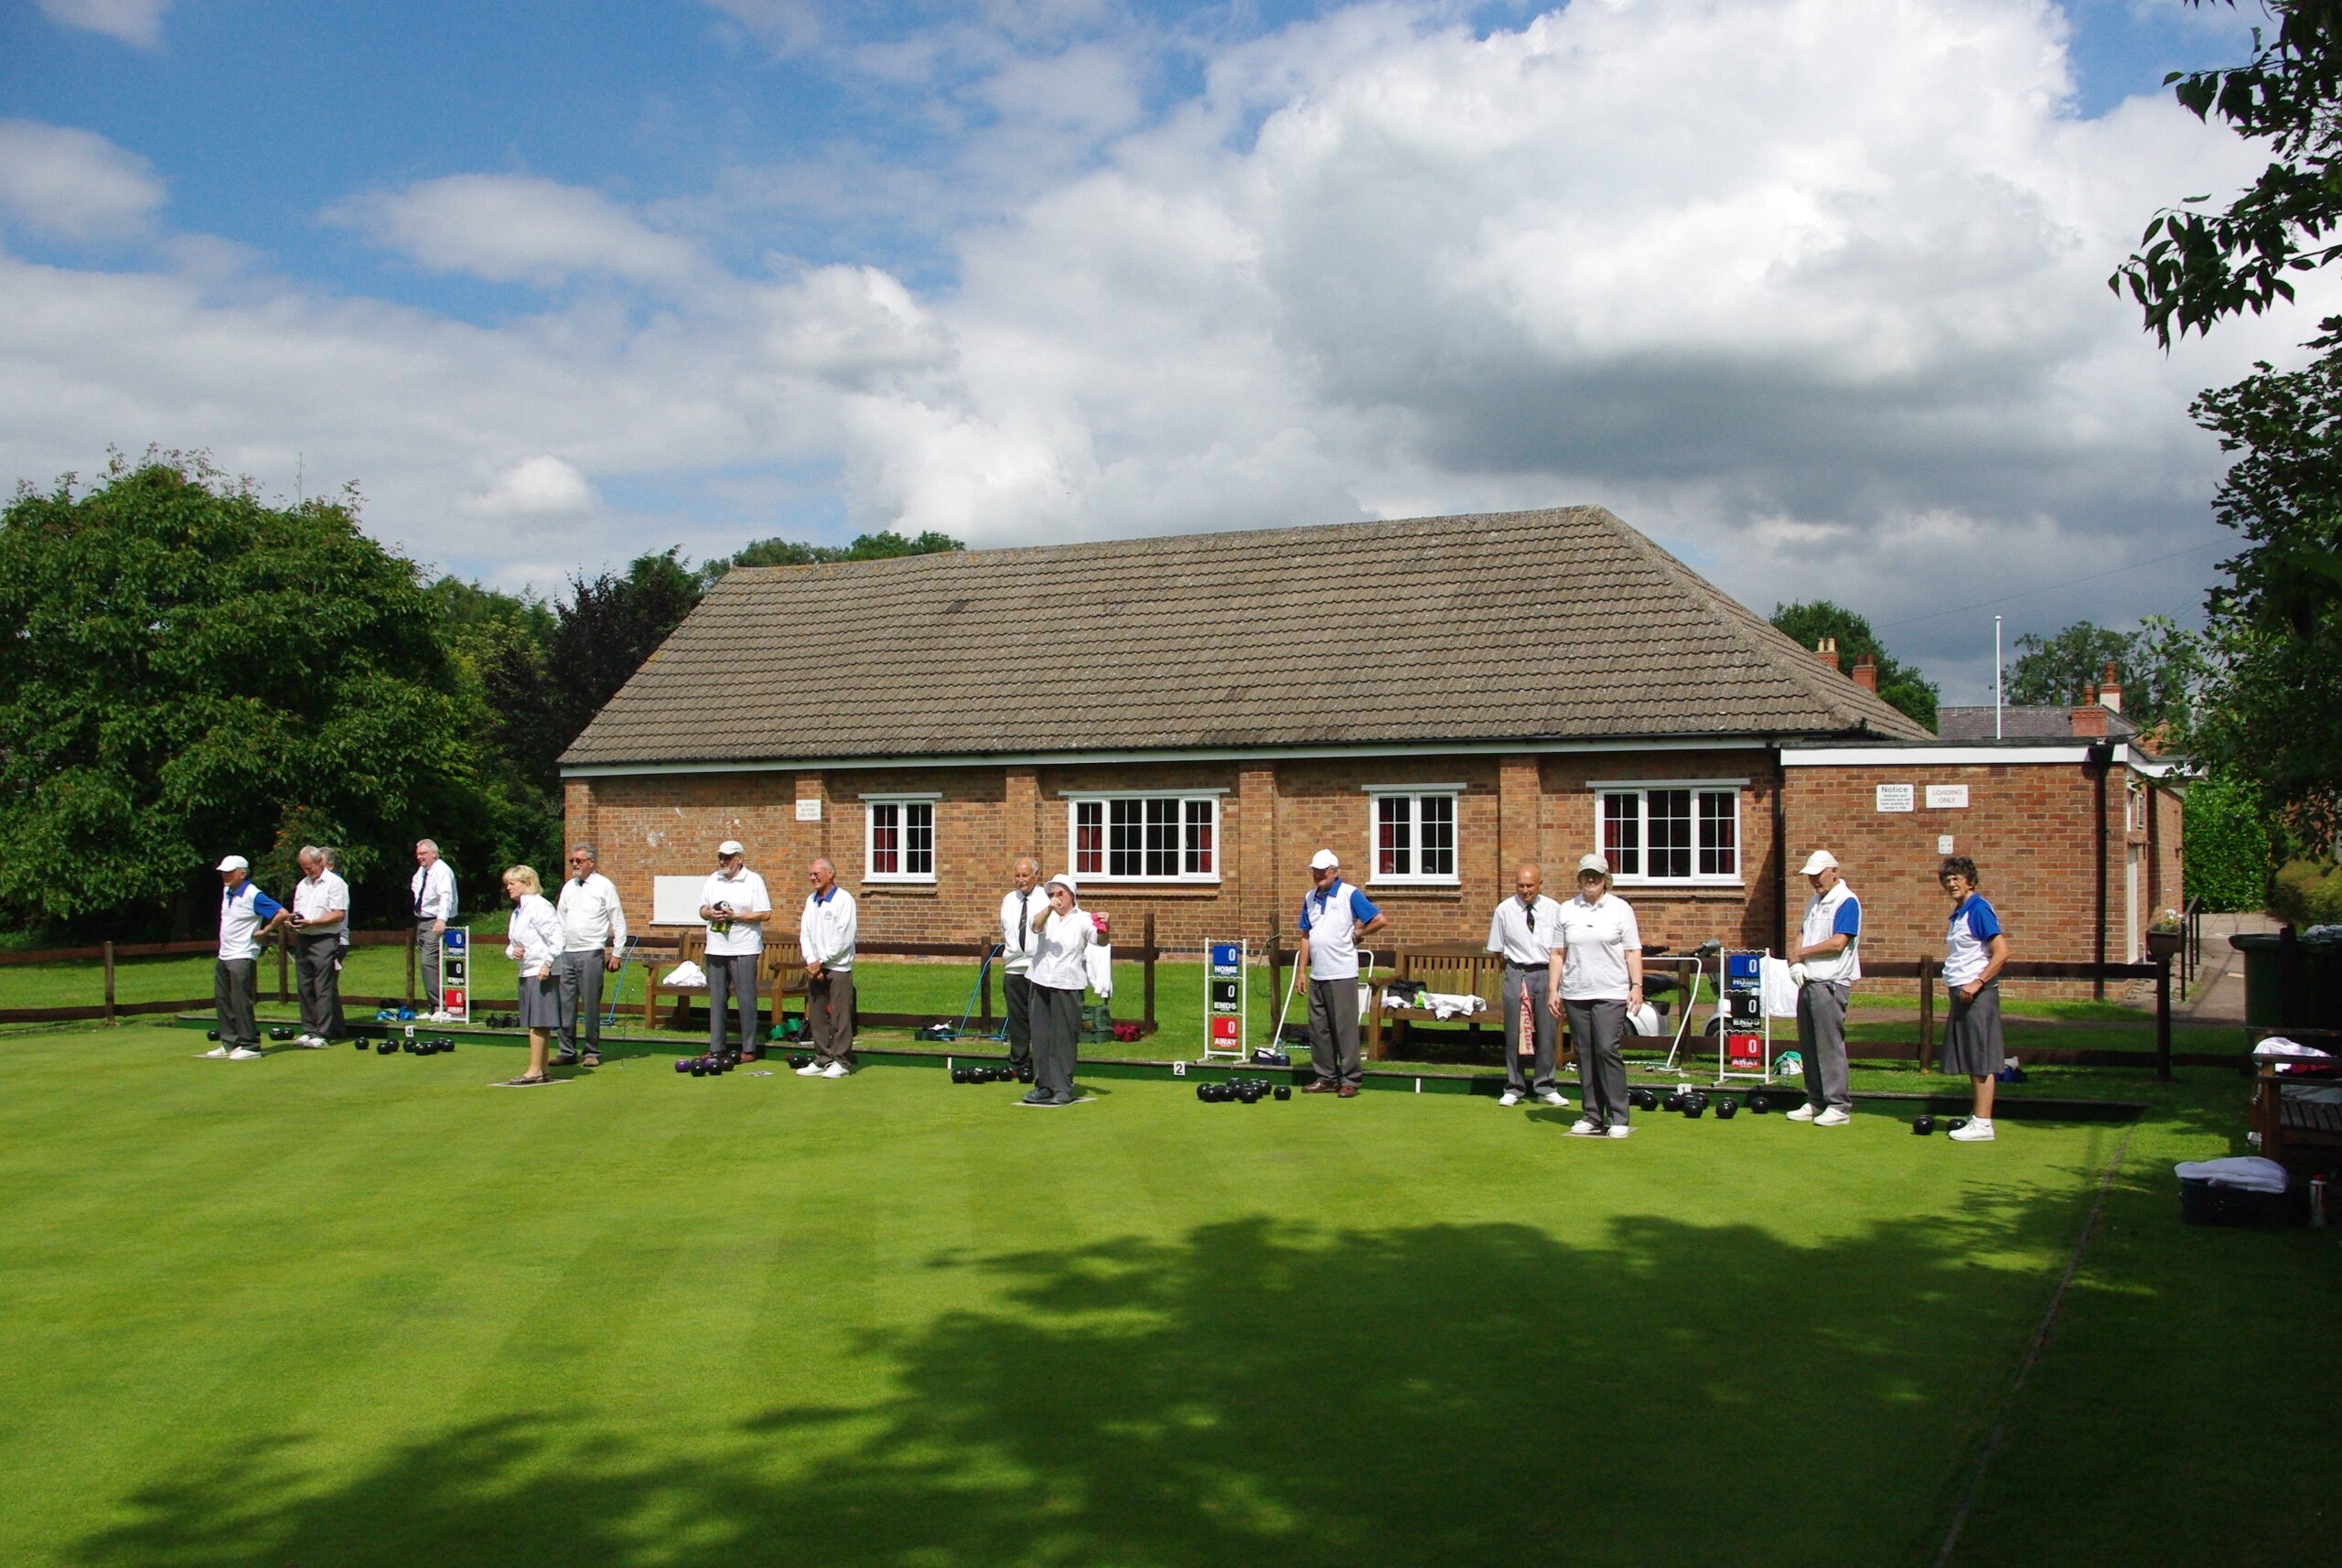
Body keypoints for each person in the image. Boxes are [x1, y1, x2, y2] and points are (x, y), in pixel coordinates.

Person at [1549, 853, 1641, 1137]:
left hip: (1611, 990)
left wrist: (1636, 985)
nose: (1591, 880)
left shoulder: (1620, 909)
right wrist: (1554, 989)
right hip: (1576, 991)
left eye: (1597, 876)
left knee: (1606, 1049)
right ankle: (1591, 1114)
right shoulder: (1566, 910)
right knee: (1585, 1053)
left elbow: (1632, 950)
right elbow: (1557, 953)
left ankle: (1619, 1117)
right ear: (1579, 877)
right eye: (1586, 875)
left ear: (1605, 879)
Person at [1296, 849, 1387, 1098]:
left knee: (1344, 1029)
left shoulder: (1350, 894)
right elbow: (1306, 935)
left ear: (1335, 872)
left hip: (1342, 972)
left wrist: (1359, 933)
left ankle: (1350, 1080)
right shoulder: (1310, 897)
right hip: (1318, 973)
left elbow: (1379, 919)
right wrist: (1301, 971)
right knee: (1319, 1029)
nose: (1318, 875)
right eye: (1315, 871)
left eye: (1323, 871)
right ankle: (1325, 1076)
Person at [1785, 849, 1862, 1126]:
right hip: (1809, 981)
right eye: (1810, 876)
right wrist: (1795, 959)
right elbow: (1802, 931)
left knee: (1829, 1046)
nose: (1814, 880)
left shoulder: (1847, 901)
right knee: (1809, 1045)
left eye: (1818, 874)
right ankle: (1816, 1101)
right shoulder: (1814, 902)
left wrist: (1802, 953)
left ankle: (1839, 1106)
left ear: (1834, 871)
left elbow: (1837, 943)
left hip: (1830, 983)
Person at [1938, 856, 2010, 1143]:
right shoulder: (1960, 912)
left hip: (1978, 995)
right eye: (1947, 879)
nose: (1951, 883)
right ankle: (1978, 1115)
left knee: (1980, 1057)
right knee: (1970, 1055)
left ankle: (1983, 1123)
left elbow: (2002, 952)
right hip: (1962, 994)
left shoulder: (1979, 909)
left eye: (1957, 878)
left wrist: (1978, 982)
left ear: (1970, 880)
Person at [1487, 862, 1569, 1109]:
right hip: (1517, 972)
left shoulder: (1554, 909)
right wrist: (1515, 972)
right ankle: (1514, 1086)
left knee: (1547, 1030)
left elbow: (1561, 948)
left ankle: (1546, 1086)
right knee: (1514, 1031)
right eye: (1521, 886)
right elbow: (1498, 951)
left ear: (1540, 885)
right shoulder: (1504, 909)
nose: (1525, 890)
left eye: (1530, 885)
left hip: (1546, 973)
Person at [1020, 871, 1098, 1107]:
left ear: (1071, 894)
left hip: (1068, 983)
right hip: (1040, 979)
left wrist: (1106, 927)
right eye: (1052, 893)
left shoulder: (1083, 919)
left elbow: (1099, 939)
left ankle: (1063, 1087)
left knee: (1064, 1037)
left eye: (1060, 892)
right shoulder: (1047, 915)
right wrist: (1049, 908)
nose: (1056, 897)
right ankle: (1043, 1086)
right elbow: (1034, 926)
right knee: (1041, 1035)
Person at [553, 843, 628, 1068]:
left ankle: (591, 1051)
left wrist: (617, 951)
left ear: (591, 862)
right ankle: (566, 1051)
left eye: (579, 861)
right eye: (572, 861)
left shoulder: (605, 886)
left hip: (591, 952)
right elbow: (560, 918)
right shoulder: (569, 887)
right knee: (565, 1004)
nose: (574, 864)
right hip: (568, 952)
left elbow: (617, 919)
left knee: (591, 1004)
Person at [207, 854, 287, 1059]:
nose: (225, 875)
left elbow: (282, 913)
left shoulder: (253, 894)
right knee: (223, 999)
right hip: (224, 953)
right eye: (223, 872)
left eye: (230, 872)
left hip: (242, 953)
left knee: (241, 1000)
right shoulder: (227, 892)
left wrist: (266, 931)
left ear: (242, 873)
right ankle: (229, 1042)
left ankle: (250, 1045)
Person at [700, 840, 771, 1063]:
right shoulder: (713, 878)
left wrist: (736, 917)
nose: (723, 861)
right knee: (717, 999)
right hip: (716, 947)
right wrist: (710, 913)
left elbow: (764, 913)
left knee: (746, 999)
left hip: (744, 947)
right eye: (721, 856)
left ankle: (749, 1049)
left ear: (740, 858)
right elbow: (701, 909)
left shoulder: (753, 880)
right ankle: (716, 1049)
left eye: (728, 857)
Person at [501, 865, 565, 1086]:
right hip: (526, 970)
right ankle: (543, 1069)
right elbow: (512, 945)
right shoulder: (518, 911)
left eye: (512, 883)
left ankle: (534, 1070)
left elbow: (557, 937)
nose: (508, 887)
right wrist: (513, 952)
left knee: (538, 1022)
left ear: (527, 883)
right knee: (535, 1021)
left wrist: (547, 963)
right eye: (507, 883)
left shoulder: (539, 906)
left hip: (541, 972)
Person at [796, 854, 855, 1078]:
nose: (812, 878)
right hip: (815, 967)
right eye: (810, 874)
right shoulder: (811, 901)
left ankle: (841, 1061)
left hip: (837, 967)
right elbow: (805, 934)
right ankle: (822, 1058)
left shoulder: (844, 900)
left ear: (830, 874)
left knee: (840, 1016)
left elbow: (844, 937)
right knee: (818, 1016)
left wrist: (821, 960)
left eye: (816, 873)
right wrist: (812, 961)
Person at [287, 845, 349, 1047]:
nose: (307, 872)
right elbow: (298, 911)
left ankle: (323, 1033)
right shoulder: (302, 885)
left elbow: (338, 914)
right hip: (304, 939)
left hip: (325, 939)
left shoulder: (335, 883)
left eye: (310, 868)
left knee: (323, 987)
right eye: (304, 868)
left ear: (320, 862)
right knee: (304, 986)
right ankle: (309, 1029)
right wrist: (292, 922)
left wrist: (312, 922)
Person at [997, 856, 1046, 1073]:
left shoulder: (1046, 898)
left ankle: (1041, 1063)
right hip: (1014, 966)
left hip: (1038, 968)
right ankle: (1018, 1062)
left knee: (1039, 1018)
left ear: (1036, 875)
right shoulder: (1009, 899)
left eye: (1025, 875)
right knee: (1017, 1019)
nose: (1020, 880)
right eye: (1017, 875)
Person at [411, 839, 458, 1015]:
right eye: (418, 854)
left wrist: (441, 919)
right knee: (427, 963)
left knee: (428, 961)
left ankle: (440, 1005)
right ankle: (433, 1006)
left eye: (423, 853)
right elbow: (417, 888)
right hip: (422, 920)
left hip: (435, 921)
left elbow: (446, 896)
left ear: (434, 853)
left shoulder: (442, 871)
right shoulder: (423, 871)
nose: (419, 857)